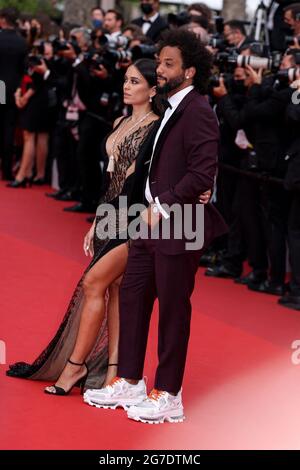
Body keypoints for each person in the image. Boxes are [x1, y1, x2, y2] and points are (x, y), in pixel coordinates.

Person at [83, 30, 227, 424]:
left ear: (190, 70)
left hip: (180, 222)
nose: (160, 69)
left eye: (168, 64)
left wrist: (162, 205)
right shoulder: (168, 107)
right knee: (132, 295)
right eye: (159, 62)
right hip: (151, 221)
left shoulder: (197, 110)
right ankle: (129, 379)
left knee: (173, 309)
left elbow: (202, 173)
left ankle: (169, 393)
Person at [6, 59, 161, 393]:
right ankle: (112, 373)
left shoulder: (156, 128)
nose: (127, 86)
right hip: (110, 214)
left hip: (136, 218)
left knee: (93, 283)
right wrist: (96, 223)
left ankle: (75, 367)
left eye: (135, 81)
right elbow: (111, 180)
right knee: (115, 290)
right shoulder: (121, 120)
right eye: (126, 80)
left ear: (153, 89)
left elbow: (147, 182)